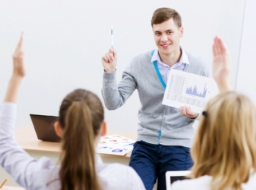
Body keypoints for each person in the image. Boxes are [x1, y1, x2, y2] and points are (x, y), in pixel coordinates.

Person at [0, 33, 145, 190]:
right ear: (103, 129)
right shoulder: (126, 180)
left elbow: (4, 144)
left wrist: (16, 76)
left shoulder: (42, 178)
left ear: (58, 129)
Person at [101, 7, 209, 190]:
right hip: (146, 147)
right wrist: (109, 72)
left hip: (180, 148)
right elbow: (113, 103)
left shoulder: (198, 67)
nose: (163, 39)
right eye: (158, 33)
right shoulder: (138, 64)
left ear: (181, 31)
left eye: (169, 32)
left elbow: (210, 113)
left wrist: (195, 114)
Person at [172, 37, 256, 189]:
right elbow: (236, 122)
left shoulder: (183, 188)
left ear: (204, 136)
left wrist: (221, 81)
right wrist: (223, 82)